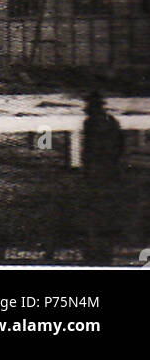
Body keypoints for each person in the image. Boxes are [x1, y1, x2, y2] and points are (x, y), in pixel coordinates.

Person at [81, 88, 124, 263]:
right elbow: (120, 142)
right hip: (107, 162)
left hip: (97, 163)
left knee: (96, 195)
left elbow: (89, 145)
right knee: (104, 194)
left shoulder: (90, 122)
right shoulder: (110, 120)